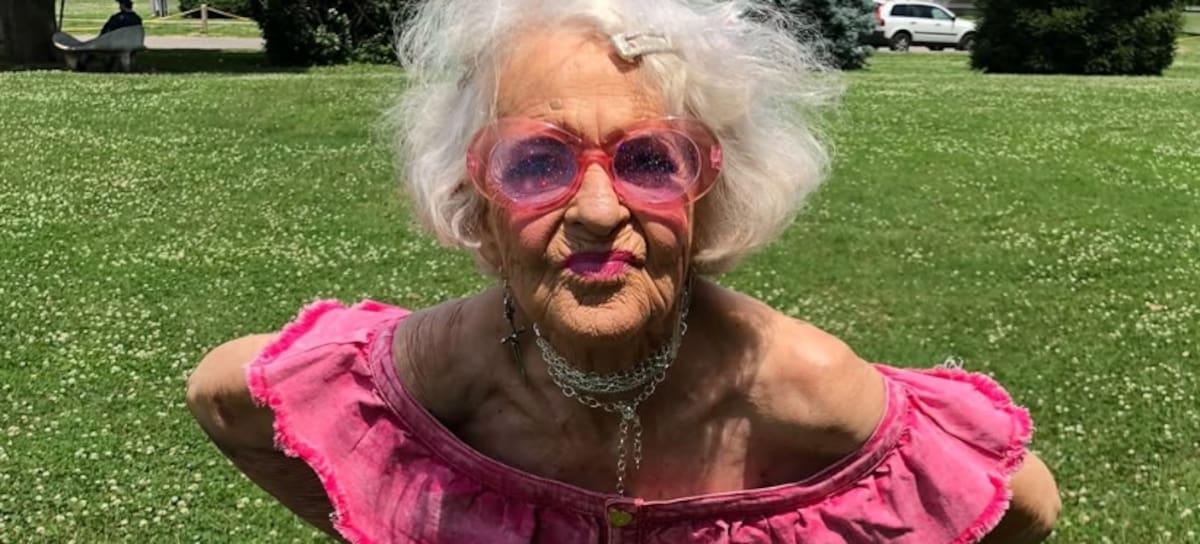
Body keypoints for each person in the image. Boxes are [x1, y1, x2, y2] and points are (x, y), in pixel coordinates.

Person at [185, 0, 1061, 542]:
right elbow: (224, 397)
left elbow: (1021, 505)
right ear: (475, 199)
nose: (600, 211)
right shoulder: (433, 371)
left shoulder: (802, 385)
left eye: (649, 160)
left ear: (712, 194)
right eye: (537, 162)